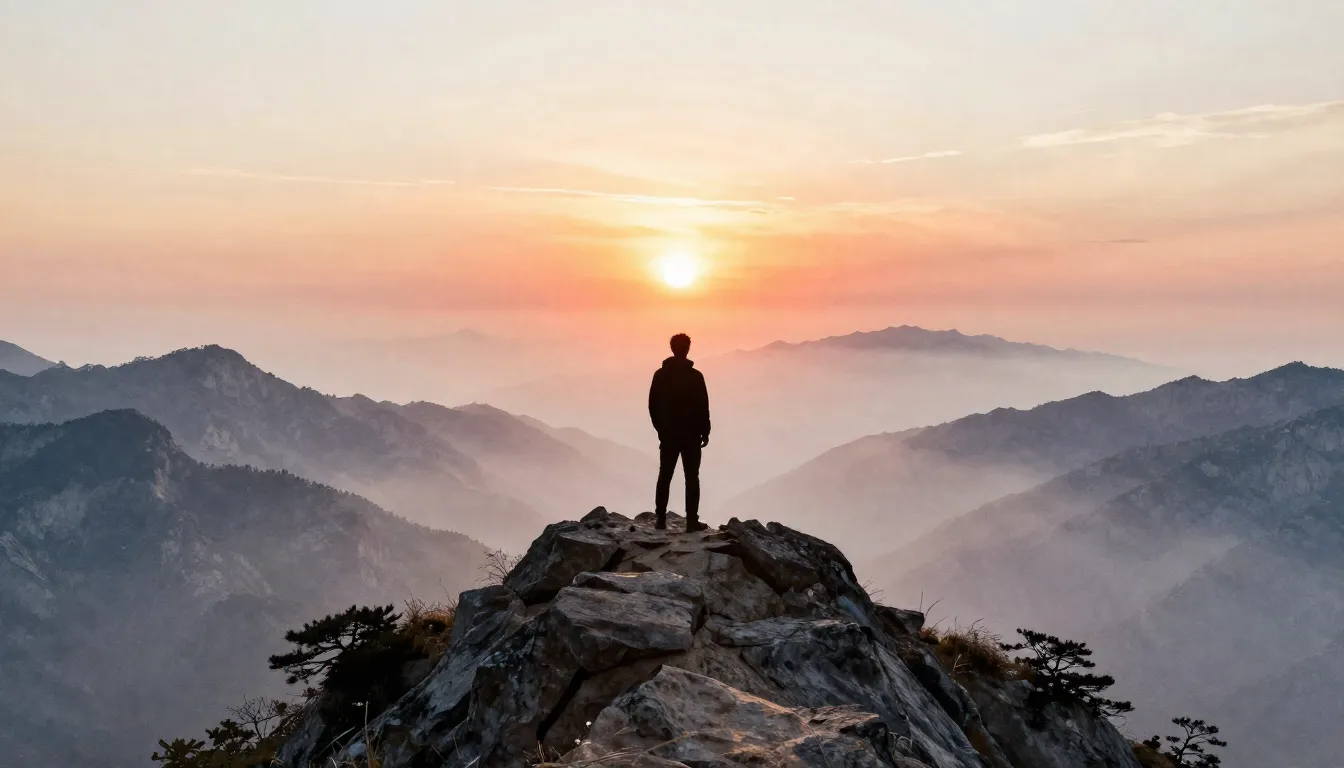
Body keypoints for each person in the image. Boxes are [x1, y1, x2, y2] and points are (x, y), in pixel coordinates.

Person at [648, 333, 711, 532]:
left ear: (672, 348)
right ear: (687, 349)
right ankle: (691, 522)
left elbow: (653, 406)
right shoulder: (695, 376)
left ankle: (660, 519)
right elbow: (703, 406)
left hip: (669, 435)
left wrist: (661, 430)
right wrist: (705, 430)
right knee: (692, 477)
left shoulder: (661, 375)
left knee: (665, 475)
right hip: (691, 435)